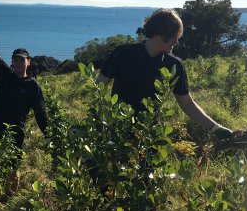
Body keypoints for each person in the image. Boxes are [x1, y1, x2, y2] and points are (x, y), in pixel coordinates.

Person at [98, 8, 234, 140]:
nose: (176, 42)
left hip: (148, 136)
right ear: (158, 33)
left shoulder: (174, 65)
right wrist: (99, 124)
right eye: (173, 36)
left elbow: (187, 103)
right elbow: (98, 88)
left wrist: (214, 128)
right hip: (116, 133)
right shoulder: (122, 54)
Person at [0, 18, 48, 150]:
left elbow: (40, 113)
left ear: (28, 62)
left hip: (15, 133)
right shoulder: (5, 74)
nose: (18, 63)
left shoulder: (33, 86)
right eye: (15, 60)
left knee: (13, 164)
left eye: (21, 60)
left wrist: (49, 134)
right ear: (12, 62)